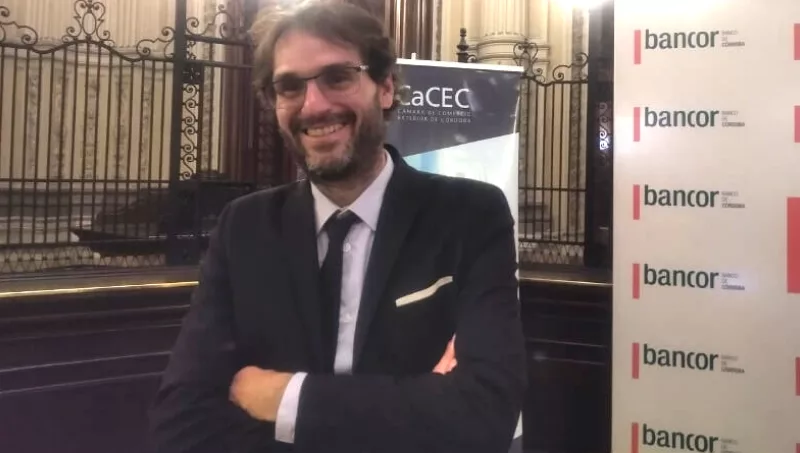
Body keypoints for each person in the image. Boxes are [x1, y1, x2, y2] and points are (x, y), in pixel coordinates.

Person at [149, 2, 526, 452]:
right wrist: (417, 407)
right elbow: (180, 424)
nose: (314, 105)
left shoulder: (470, 217)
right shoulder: (243, 228)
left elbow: (485, 415)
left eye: (338, 77)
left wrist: (284, 398)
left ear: (385, 87)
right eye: (290, 86)